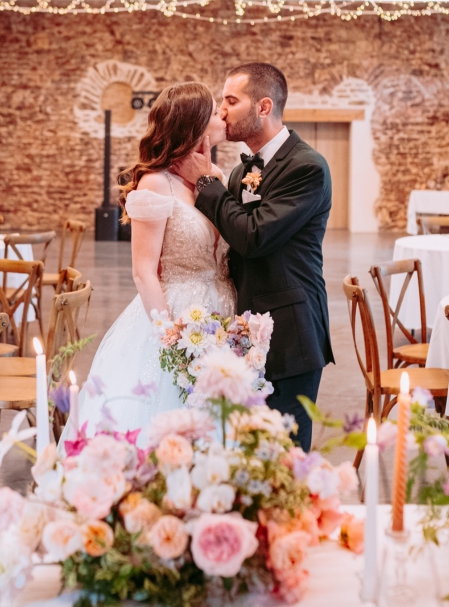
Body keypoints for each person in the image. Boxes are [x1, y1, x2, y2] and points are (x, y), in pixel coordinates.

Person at [59, 82, 235, 448]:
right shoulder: (156, 184)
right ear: (195, 123)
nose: (223, 115)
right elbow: (143, 271)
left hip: (223, 314)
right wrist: (170, 336)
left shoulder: (215, 177)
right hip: (175, 314)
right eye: (215, 109)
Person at [174, 62, 334, 451]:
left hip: (290, 333)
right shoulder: (239, 173)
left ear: (263, 107)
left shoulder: (306, 167)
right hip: (246, 332)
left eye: (231, 100)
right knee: (246, 456)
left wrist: (205, 182)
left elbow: (254, 236)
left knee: (284, 456)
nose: (222, 111)